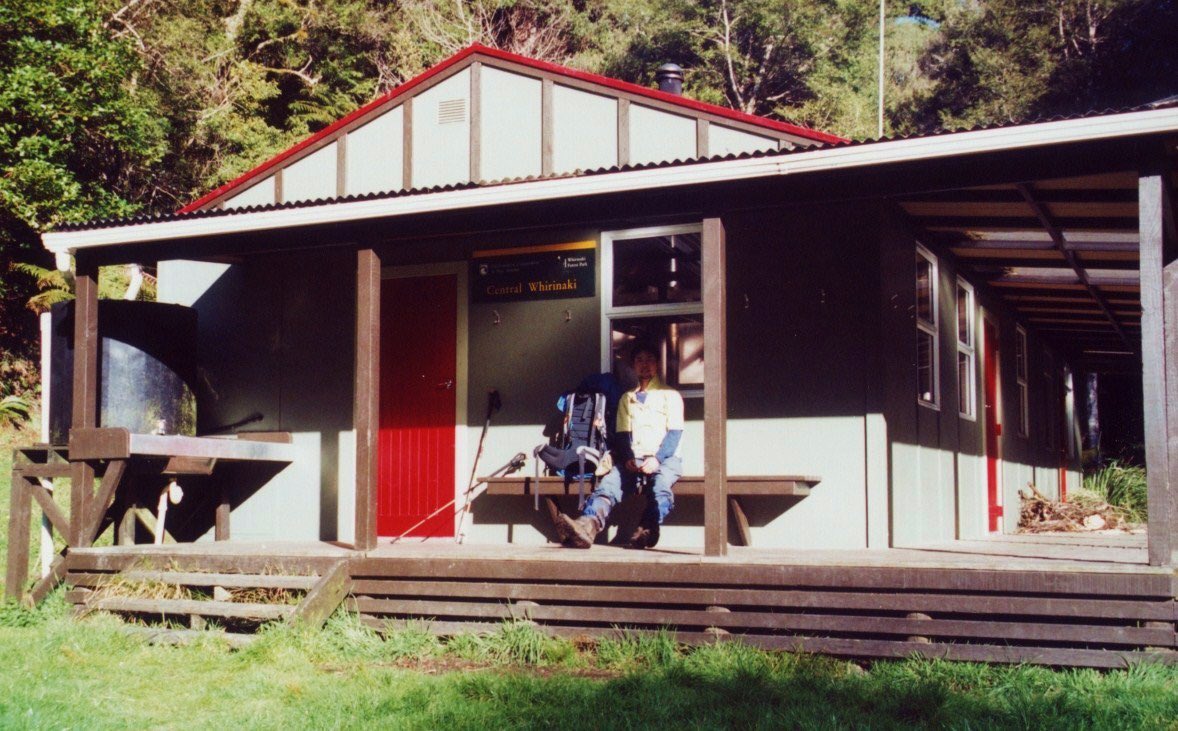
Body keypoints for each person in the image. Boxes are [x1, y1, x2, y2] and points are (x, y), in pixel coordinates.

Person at [553, 343, 684, 549]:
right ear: (633, 365)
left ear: (657, 364)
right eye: (639, 360)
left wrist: (657, 459)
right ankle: (587, 527)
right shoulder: (626, 398)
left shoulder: (671, 395)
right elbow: (623, 434)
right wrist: (628, 458)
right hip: (634, 459)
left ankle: (648, 529)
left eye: (650, 360)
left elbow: (674, 433)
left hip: (665, 459)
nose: (645, 365)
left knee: (660, 489)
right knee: (609, 485)